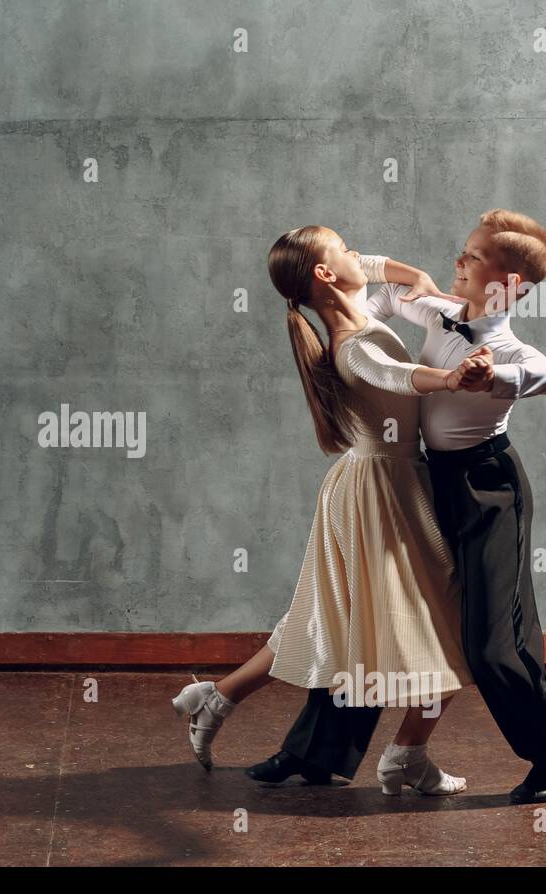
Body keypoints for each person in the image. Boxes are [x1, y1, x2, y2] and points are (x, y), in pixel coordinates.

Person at [252, 210, 546, 805]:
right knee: (374, 613)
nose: (458, 261)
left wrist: (498, 379)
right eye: (462, 250)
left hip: (488, 490)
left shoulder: (508, 345)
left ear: (508, 285)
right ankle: (319, 753)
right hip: (424, 481)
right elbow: (355, 278)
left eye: (472, 256)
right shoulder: (436, 310)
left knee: (495, 643)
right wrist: (404, 273)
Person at [171, 226, 489, 795]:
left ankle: (217, 697)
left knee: (328, 619)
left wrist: (413, 276)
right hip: (382, 491)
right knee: (444, 619)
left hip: (375, 482)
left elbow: (366, 264)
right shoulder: (350, 342)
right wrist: (450, 376)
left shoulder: (352, 305)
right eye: (340, 248)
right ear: (323, 275)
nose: (354, 254)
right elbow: (392, 375)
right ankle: (408, 755)